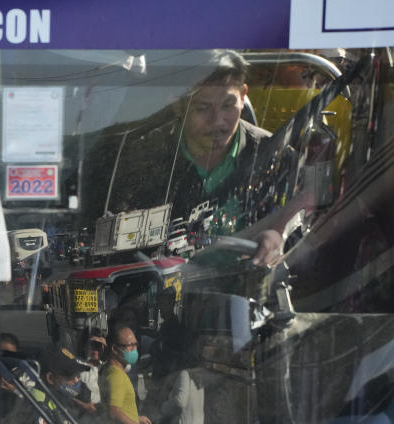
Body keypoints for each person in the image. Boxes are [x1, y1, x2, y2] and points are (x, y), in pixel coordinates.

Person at [109, 50, 282, 266]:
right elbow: (117, 248)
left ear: (244, 95)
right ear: (177, 103)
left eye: (228, 106)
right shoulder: (140, 160)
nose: (218, 121)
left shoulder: (275, 156)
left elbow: (299, 232)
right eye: (203, 108)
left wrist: (277, 237)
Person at [100, 325, 156, 424]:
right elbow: (114, 412)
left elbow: (119, 409)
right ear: (115, 349)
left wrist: (136, 418)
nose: (134, 349)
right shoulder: (117, 376)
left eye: (135, 344)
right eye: (129, 346)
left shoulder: (112, 371)